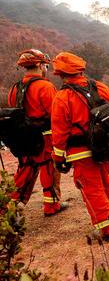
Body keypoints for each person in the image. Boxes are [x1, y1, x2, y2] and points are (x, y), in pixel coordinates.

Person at [50, 52, 109, 242]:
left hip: (81, 153)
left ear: (60, 74)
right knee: (105, 180)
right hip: (105, 148)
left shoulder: (62, 97)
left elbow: (59, 134)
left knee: (92, 189)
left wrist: (58, 159)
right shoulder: (100, 87)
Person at [7, 49, 66, 216]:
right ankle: (52, 206)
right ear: (40, 65)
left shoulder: (14, 88)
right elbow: (56, 114)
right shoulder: (45, 87)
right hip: (44, 136)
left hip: (23, 137)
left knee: (25, 168)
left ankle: (11, 206)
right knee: (48, 167)